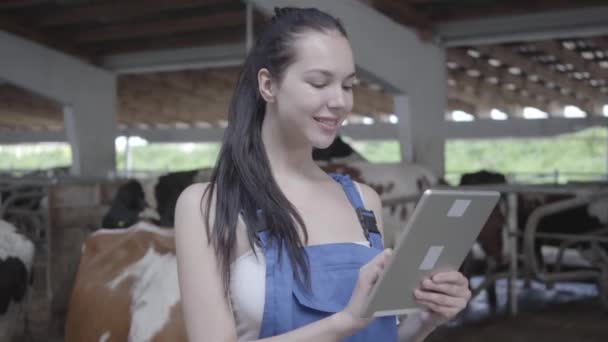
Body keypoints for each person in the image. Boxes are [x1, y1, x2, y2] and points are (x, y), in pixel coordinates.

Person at [175, 7, 471, 342]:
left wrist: (425, 321)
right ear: (268, 84)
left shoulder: (363, 201)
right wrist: (344, 321)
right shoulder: (207, 206)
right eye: (320, 82)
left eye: (348, 85)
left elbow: (376, 336)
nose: (340, 101)